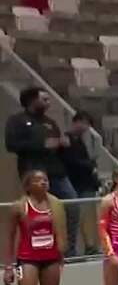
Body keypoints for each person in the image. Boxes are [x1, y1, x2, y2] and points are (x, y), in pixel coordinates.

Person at [5, 88, 78, 254]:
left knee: (71, 205)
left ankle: (69, 251)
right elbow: (11, 145)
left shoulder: (50, 122)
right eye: (44, 99)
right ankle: (37, 249)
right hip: (33, 172)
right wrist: (42, 145)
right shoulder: (16, 120)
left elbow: (56, 145)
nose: (48, 103)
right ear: (32, 100)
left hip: (56, 172)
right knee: (37, 212)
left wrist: (64, 143)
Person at [64, 111, 101, 254]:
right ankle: (70, 249)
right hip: (75, 182)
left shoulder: (80, 140)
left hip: (86, 183)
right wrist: (89, 164)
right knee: (73, 218)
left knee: (88, 217)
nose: (86, 127)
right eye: (84, 123)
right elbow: (71, 161)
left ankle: (90, 246)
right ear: (76, 121)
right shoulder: (66, 139)